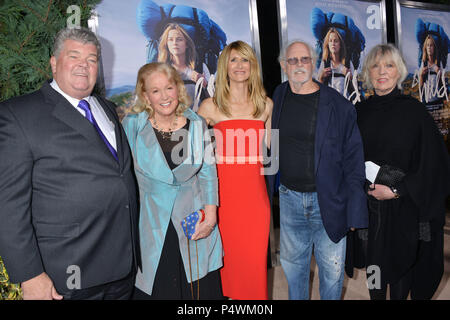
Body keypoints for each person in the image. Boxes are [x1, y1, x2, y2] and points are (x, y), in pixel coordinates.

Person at [0, 27, 140, 300]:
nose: (83, 65)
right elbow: (7, 206)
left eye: (91, 59)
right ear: (54, 63)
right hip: (66, 278)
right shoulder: (18, 115)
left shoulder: (107, 109)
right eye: (74, 56)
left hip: (122, 270)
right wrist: (29, 275)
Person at [267, 40, 368, 300]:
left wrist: (354, 211)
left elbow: (354, 161)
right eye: (293, 60)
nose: (299, 65)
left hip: (330, 203)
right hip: (289, 201)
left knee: (331, 276)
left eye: (305, 59)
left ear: (314, 63)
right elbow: (267, 144)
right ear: (283, 65)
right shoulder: (277, 97)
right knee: (294, 273)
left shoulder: (339, 106)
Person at [353, 44, 450, 300]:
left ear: (399, 72)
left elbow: (434, 165)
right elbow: (348, 159)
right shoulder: (359, 112)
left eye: (389, 65)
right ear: (367, 72)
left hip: (405, 208)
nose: (382, 72)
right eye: (375, 65)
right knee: (374, 264)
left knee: (401, 264)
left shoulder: (415, 112)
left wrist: (396, 190)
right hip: (371, 209)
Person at [122, 62, 223, 300]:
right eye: (155, 91)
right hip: (151, 223)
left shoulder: (197, 123)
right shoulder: (132, 125)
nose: (164, 96)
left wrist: (210, 217)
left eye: (169, 88)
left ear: (178, 89)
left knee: (197, 290)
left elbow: (208, 173)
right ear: (145, 96)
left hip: (192, 219)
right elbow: (123, 177)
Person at [198, 40, 273, 300]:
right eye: (233, 60)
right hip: (223, 203)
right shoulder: (209, 107)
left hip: (256, 202)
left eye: (245, 60)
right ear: (224, 66)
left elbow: (269, 157)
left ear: (253, 66)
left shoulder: (266, 105)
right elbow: (194, 156)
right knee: (225, 269)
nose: (239, 66)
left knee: (254, 269)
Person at [158, 23, 210, 111]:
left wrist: (204, 83)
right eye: (170, 40)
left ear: (186, 44)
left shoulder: (201, 67)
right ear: (166, 44)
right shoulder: (160, 70)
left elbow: (212, 99)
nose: (174, 43)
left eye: (179, 39)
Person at [317, 28, 354, 97]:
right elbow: (318, 90)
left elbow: (355, 89)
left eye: (336, 41)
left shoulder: (348, 63)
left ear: (340, 44)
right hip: (329, 105)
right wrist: (321, 78)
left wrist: (350, 78)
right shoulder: (324, 64)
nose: (333, 43)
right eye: (330, 41)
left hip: (345, 104)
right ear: (327, 45)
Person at [419, 35, 445, 104]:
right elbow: (420, 87)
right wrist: (421, 75)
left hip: (439, 101)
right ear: (425, 48)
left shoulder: (439, 64)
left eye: (431, 45)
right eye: (427, 45)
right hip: (427, 102)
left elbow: (443, 84)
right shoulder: (423, 64)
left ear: (434, 48)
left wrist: (439, 73)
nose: (429, 48)